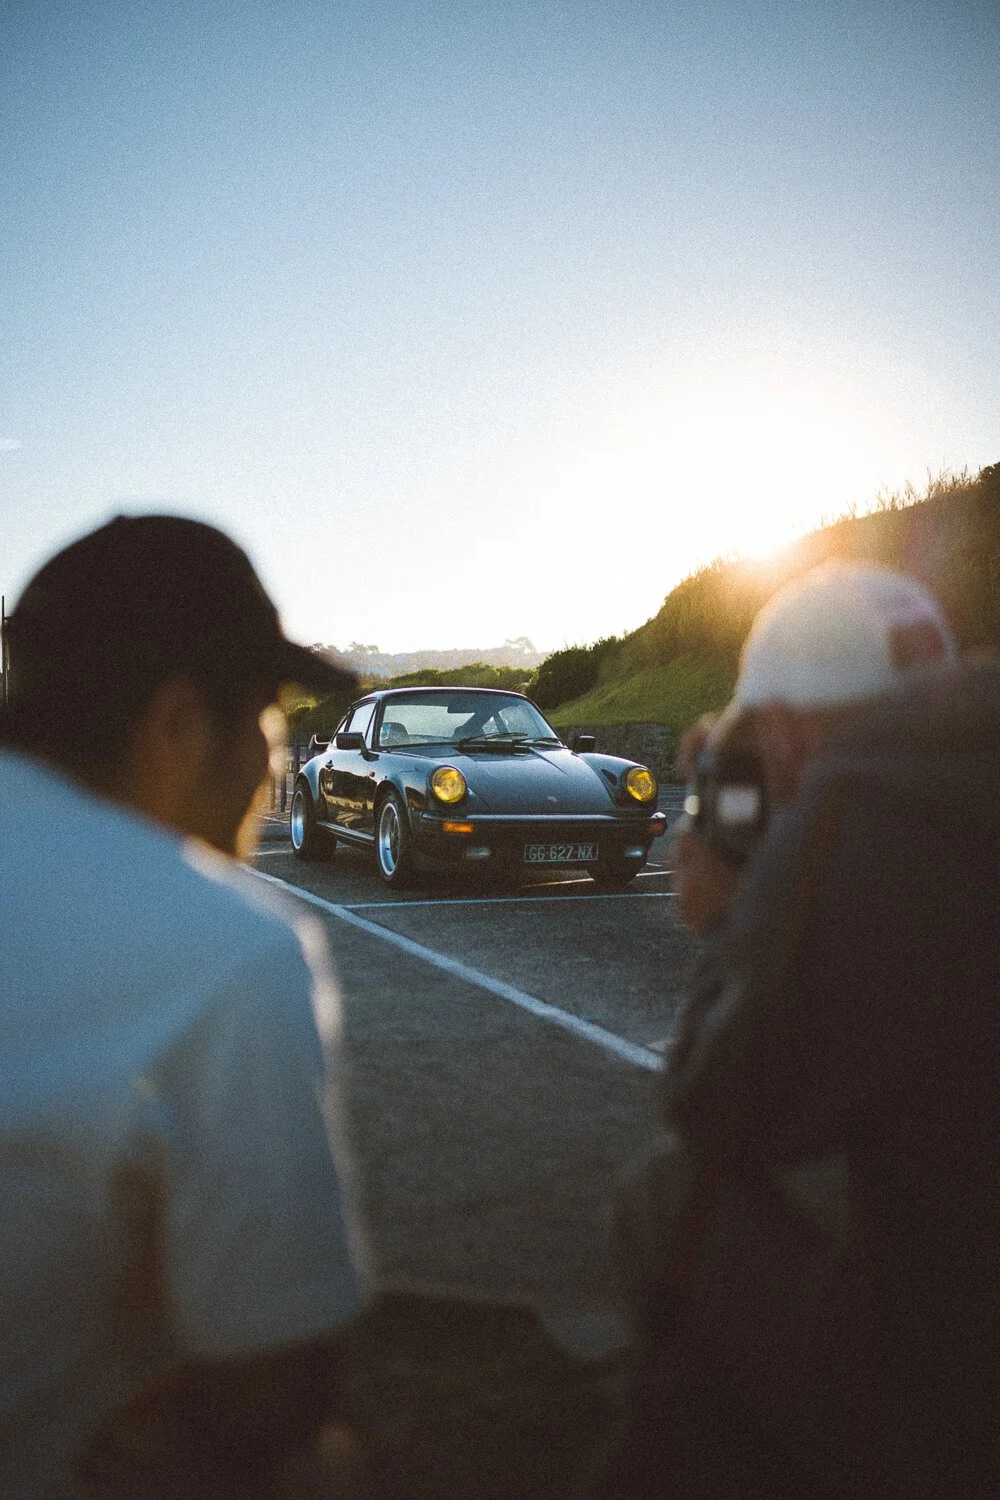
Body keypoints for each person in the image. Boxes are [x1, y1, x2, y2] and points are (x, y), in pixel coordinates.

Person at [0, 515, 366, 1498]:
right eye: (268, 719)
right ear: (174, 725)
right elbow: (273, 1382)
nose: (269, 765)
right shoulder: (227, 950)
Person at [608, 561, 979, 1497]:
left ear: (780, 730)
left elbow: (714, 1104)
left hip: (967, 1395)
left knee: (672, 1193)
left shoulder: (852, 834)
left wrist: (732, 905)